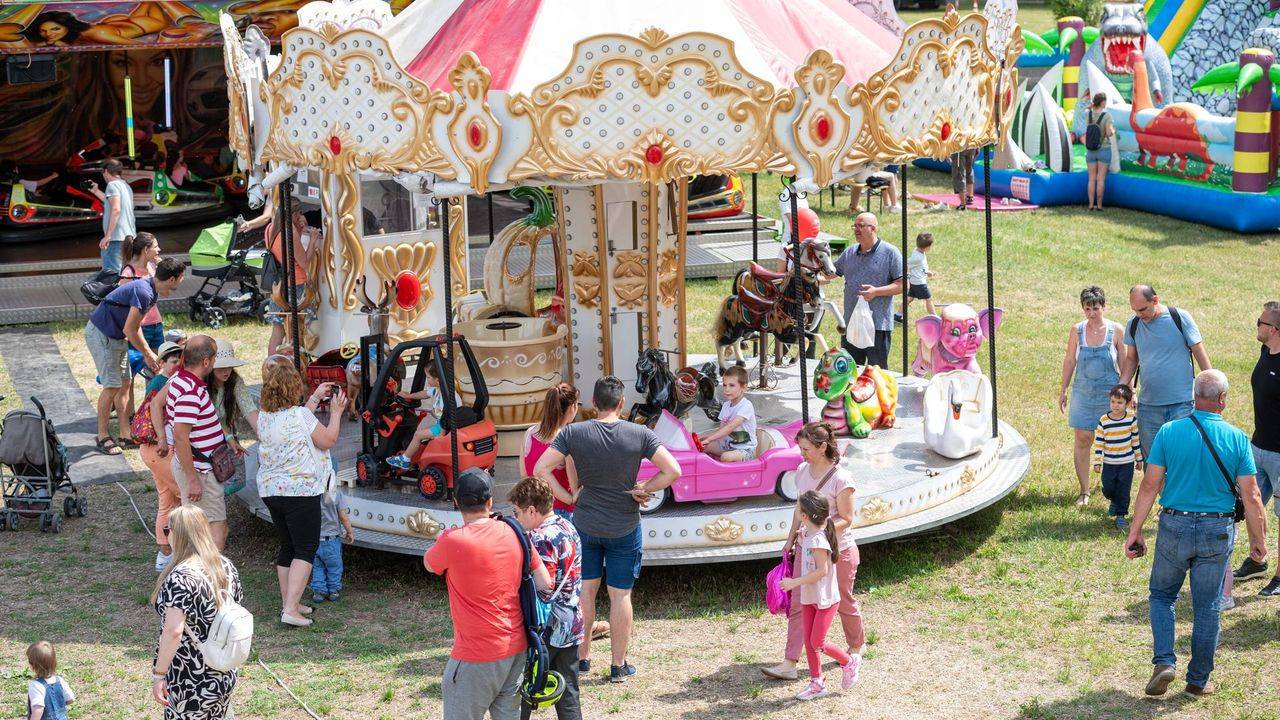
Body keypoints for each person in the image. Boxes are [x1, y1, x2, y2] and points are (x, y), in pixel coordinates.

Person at [1124, 370, 1267, 699]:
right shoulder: (1236, 438)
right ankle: (1198, 681)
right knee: (1208, 605)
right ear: (1222, 400)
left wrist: (1135, 531)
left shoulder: (1169, 432)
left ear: (1193, 397)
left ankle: (1164, 662)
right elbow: (1252, 495)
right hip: (1217, 530)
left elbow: (1149, 485)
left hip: (1174, 525)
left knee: (1162, 595)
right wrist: (1258, 542)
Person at [533, 376, 681, 682]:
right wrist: (645, 487)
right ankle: (618, 665)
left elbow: (540, 469)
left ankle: (583, 658)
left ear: (594, 404)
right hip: (624, 525)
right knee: (620, 595)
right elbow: (673, 470)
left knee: (585, 591)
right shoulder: (639, 433)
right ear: (622, 403)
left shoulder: (574, 432)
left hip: (585, 523)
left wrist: (567, 497)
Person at [424, 468, 550, 720]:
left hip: (476, 653)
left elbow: (430, 564)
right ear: (490, 501)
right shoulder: (515, 531)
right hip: (515, 648)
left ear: (456, 502)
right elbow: (544, 581)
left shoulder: (453, 540)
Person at [763, 422, 865, 682]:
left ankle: (855, 647)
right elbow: (800, 509)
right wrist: (789, 540)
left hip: (837, 550)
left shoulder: (842, 479)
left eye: (806, 448)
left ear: (822, 447)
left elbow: (847, 518)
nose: (801, 453)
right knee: (799, 603)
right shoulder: (801, 471)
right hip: (806, 550)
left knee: (842, 599)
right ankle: (790, 662)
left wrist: (818, 530)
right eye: (800, 448)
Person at [256, 356, 347, 627]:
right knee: (306, 548)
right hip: (300, 491)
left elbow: (297, 421)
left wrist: (316, 398)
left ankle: (290, 603)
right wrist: (337, 413)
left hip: (271, 490)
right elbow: (327, 438)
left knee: (288, 547)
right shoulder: (300, 415)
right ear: (292, 388)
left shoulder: (265, 417)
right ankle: (290, 609)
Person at [151, 505, 244, 720]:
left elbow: (174, 631)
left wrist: (159, 674)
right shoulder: (225, 566)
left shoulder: (180, 577)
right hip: (223, 667)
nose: (168, 536)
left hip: (190, 676)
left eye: (168, 530)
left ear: (178, 534)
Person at [85, 256, 185, 455]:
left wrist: (148, 354)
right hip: (102, 334)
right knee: (112, 385)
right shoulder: (144, 291)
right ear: (172, 279)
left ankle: (125, 434)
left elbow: (134, 326)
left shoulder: (150, 290)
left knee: (124, 383)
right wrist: (148, 354)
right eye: (181, 278)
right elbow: (130, 329)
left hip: (116, 336)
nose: (182, 282)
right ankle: (102, 436)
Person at [509, 476, 584, 720]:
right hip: (572, 620)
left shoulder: (539, 538)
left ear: (531, 510)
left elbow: (545, 588)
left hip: (547, 628)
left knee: (526, 689)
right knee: (569, 691)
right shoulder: (567, 525)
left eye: (517, 512)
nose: (516, 518)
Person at [777, 491, 859, 701]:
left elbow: (822, 571)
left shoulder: (818, 541)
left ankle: (848, 662)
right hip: (810, 597)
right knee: (809, 641)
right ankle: (816, 683)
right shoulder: (806, 533)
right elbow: (803, 535)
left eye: (797, 508)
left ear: (804, 515)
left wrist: (794, 582)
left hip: (825, 599)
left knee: (817, 642)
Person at [1120, 285, 1211, 457]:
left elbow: (1199, 351)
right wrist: (1121, 386)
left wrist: (1213, 386)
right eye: (1135, 310)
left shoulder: (1179, 317)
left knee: (1182, 458)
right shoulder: (1133, 324)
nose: (1139, 315)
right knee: (1154, 461)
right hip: (1148, 407)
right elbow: (1131, 359)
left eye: (1142, 309)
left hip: (1182, 404)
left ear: (1155, 300)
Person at [1059, 285, 1125, 506]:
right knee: (1082, 439)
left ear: (1104, 307)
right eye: (1088, 309)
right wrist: (1063, 389)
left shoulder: (1116, 330)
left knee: (1114, 441)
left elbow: (1125, 364)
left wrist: (1129, 392)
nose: (1092, 313)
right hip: (1083, 392)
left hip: (1111, 396)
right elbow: (1070, 360)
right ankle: (1084, 490)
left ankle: (1114, 488)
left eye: (1096, 308)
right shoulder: (1076, 330)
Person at [166, 336, 229, 551]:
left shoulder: (179, 380)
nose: (214, 363)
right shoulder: (190, 392)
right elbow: (181, 436)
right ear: (205, 362)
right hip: (200, 472)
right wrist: (193, 479)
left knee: (203, 529)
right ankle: (209, 579)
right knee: (214, 533)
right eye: (214, 358)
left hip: (198, 469)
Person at [1235, 300, 1280, 596]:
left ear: (1274, 329)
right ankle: (1257, 559)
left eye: (1260, 322)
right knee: (1247, 505)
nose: (1257, 325)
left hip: (1279, 455)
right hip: (1257, 446)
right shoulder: (1266, 350)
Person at [833, 212, 903, 369]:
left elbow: (903, 285)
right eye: (854, 226)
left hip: (877, 326)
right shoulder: (850, 252)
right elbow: (831, 274)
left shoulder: (890, 253)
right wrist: (809, 276)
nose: (856, 229)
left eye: (861, 225)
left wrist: (876, 292)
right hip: (852, 324)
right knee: (849, 372)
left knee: (876, 373)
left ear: (873, 228)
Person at [143, 341, 184, 573]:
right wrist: (162, 438)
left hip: (154, 451)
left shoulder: (161, 381)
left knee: (166, 501)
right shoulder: (161, 383)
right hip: (162, 449)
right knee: (182, 496)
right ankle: (177, 550)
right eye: (173, 360)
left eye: (180, 359)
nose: (177, 364)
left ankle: (164, 553)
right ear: (161, 363)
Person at [521, 383, 581, 520]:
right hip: (562, 513)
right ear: (572, 407)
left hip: (534, 512)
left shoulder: (529, 434)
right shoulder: (566, 440)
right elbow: (575, 488)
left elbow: (525, 477)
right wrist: (570, 499)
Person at [265, 204, 318, 356]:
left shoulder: (270, 229)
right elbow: (305, 262)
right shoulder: (289, 232)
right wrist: (313, 239)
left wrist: (299, 231)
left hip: (280, 285)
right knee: (295, 334)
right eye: (299, 212)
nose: (300, 216)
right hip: (296, 285)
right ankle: (295, 367)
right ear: (293, 214)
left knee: (277, 332)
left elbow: (287, 252)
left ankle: (272, 366)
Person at [387, 360, 460, 471]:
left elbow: (448, 418)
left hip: (443, 428)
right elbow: (425, 393)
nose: (427, 380)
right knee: (423, 435)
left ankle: (405, 459)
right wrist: (409, 395)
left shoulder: (448, 397)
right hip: (443, 425)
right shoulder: (439, 390)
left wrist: (441, 436)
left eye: (428, 377)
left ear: (438, 380)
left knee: (417, 435)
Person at [1092, 384, 1144, 531]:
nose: (1115, 405)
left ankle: (1121, 514)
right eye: (1113, 402)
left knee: (1123, 489)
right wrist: (1097, 462)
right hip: (1109, 463)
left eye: (1119, 402)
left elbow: (1135, 441)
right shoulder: (1104, 420)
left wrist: (1139, 459)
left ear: (1127, 404)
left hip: (1126, 463)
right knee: (1108, 486)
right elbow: (1099, 443)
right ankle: (1113, 500)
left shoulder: (1131, 420)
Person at [208, 340, 258, 463]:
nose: (227, 372)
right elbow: (208, 417)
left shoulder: (235, 381)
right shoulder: (202, 385)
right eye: (221, 367)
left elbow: (249, 409)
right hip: (206, 439)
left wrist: (264, 433)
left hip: (228, 437)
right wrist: (228, 437)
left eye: (229, 366)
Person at [87, 158, 136, 273]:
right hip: (128, 236)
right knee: (125, 273)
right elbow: (112, 202)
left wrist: (108, 235)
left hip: (116, 238)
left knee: (112, 275)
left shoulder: (112, 185)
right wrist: (95, 191)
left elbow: (116, 209)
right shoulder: (125, 186)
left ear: (106, 171)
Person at [701, 365, 757, 462]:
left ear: (743, 387)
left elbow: (729, 427)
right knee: (704, 447)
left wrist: (709, 439)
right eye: (724, 385)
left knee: (726, 457)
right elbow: (721, 430)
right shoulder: (726, 405)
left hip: (745, 449)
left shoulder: (746, 406)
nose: (727, 389)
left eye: (731, 385)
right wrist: (701, 437)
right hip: (727, 446)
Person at [311, 487, 353, 604]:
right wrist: (349, 531)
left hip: (314, 540)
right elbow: (343, 517)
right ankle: (333, 591)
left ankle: (319, 592)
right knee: (334, 567)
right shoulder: (337, 493)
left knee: (318, 566)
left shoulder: (312, 491)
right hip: (331, 541)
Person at [25, 641, 75, 720]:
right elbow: (71, 699)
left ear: (33, 666)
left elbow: (38, 709)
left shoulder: (36, 686)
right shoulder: (60, 681)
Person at [1084, 92, 1115, 211]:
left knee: (1091, 178)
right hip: (1104, 149)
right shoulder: (1107, 116)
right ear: (1103, 102)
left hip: (1090, 150)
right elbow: (1108, 133)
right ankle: (1099, 205)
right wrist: (1113, 130)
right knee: (1100, 179)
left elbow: (1088, 110)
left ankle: (1091, 204)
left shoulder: (1088, 114)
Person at [905, 232, 937, 316]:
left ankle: (899, 314)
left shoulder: (917, 250)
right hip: (919, 283)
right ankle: (934, 317)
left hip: (915, 280)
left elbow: (920, 267)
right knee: (929, 299)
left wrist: (927, 272)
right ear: (926, 248)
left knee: (910, 298)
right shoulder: (917, 258)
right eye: (930, 246)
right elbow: (907, 262)